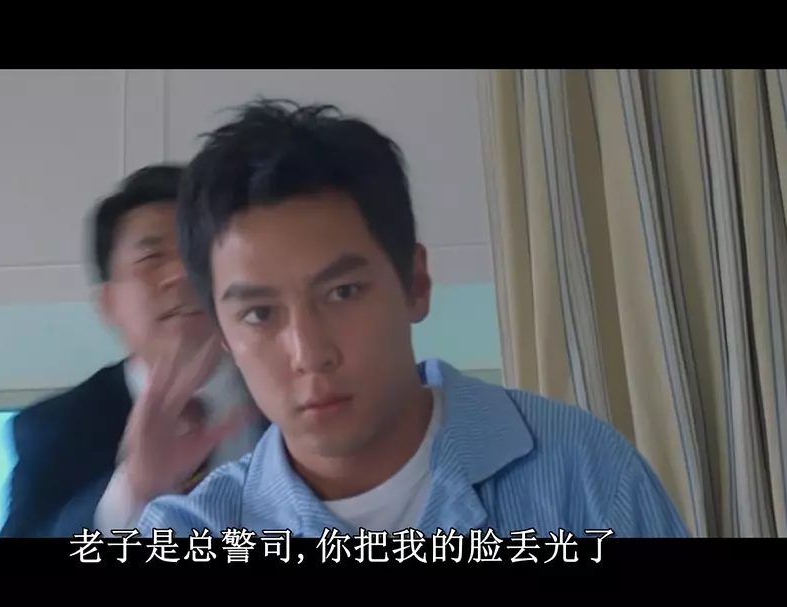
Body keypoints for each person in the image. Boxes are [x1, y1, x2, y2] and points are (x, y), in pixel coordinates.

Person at [133, 99, 690, 539]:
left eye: (343, 292)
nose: (309, 353)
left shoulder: (583, 476)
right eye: (259, 314)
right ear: (223, 334)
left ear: (415, 284)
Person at [0, 164, 268, 538]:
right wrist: (133, 490)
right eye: (151, 258)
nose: (180, 274)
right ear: (108, 302)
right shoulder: (57, 429)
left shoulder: (296, 384)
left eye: (196, 253)